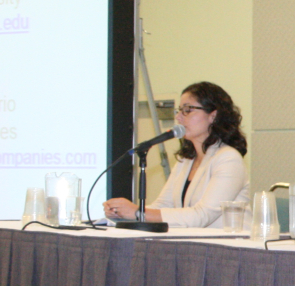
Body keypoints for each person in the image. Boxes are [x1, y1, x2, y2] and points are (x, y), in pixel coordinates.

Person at [105, 81, 250, 227]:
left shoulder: (228, 159)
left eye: (187, 110)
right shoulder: (186, 160)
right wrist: (123, 213)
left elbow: (202, 216)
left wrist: (138, 212)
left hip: (229, 247)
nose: (179, 117)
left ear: (213, 115)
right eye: (179, 110)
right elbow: (163, 205)